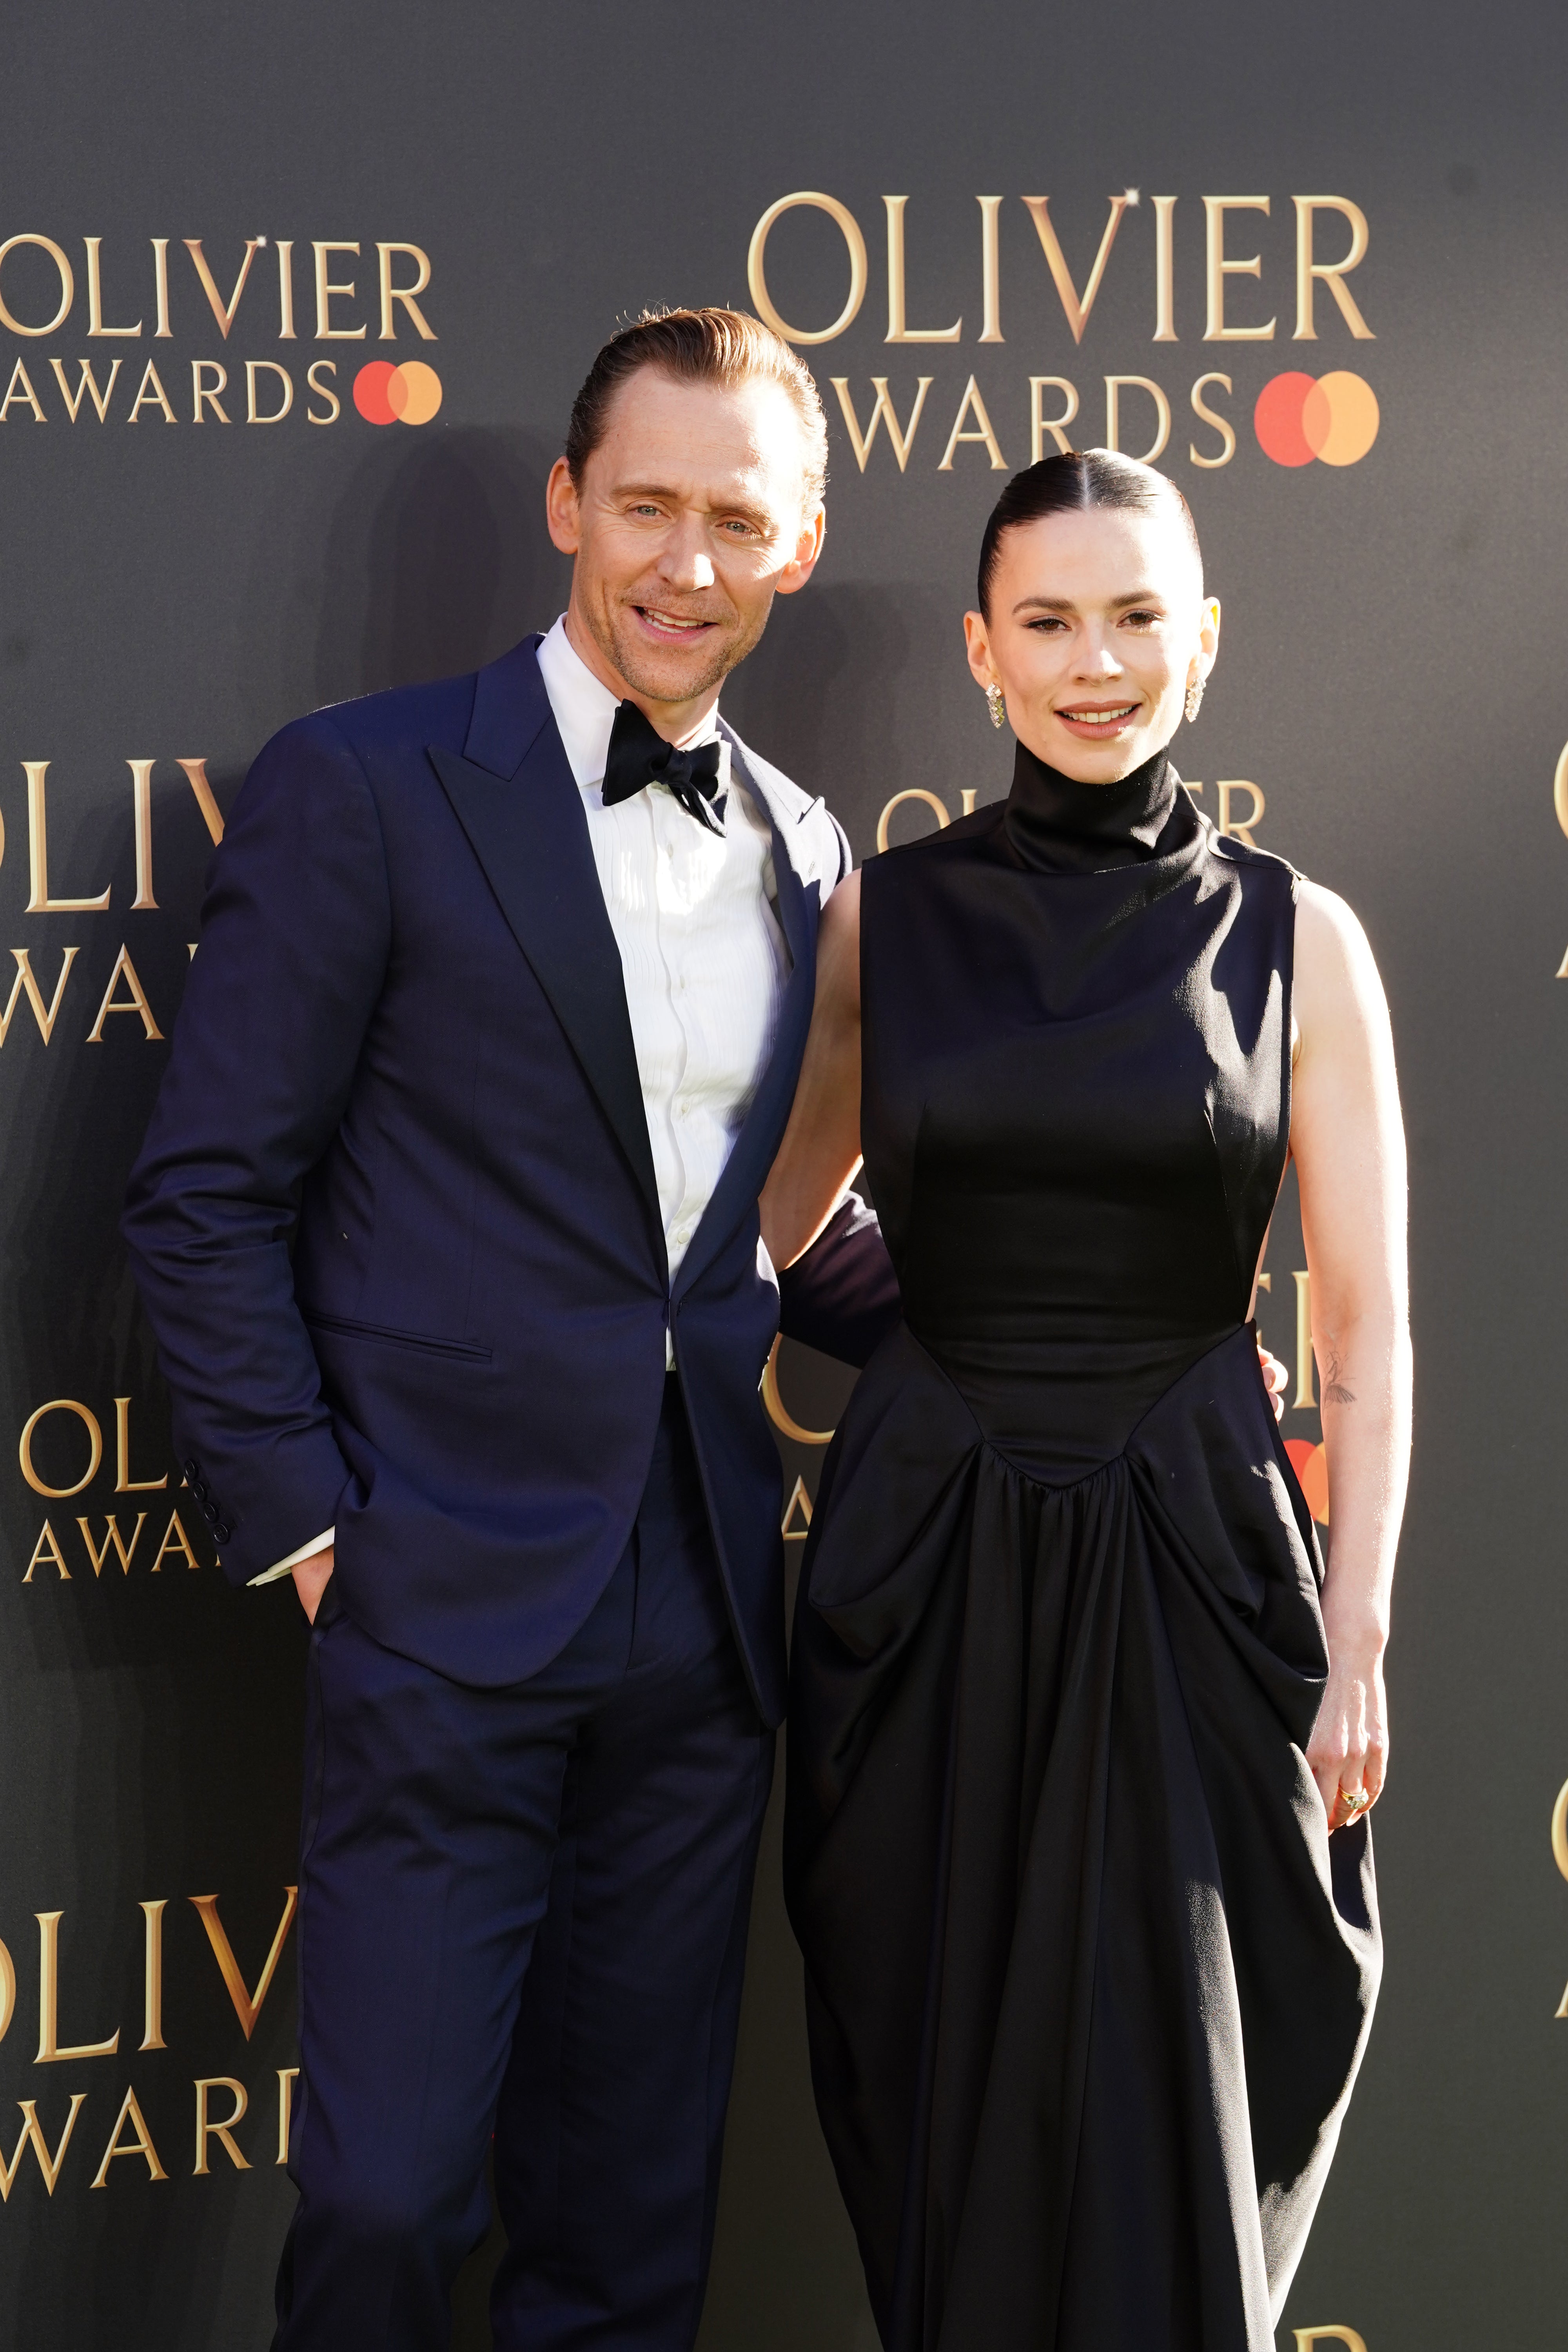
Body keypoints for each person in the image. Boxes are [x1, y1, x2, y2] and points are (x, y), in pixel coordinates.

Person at [121, 307, 899, 2352]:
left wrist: (1109, 1343)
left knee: (627, 2244)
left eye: (737, 518)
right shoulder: (365, 786)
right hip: (435, 1597)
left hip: (705, 1621)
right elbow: (206, 1195)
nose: (686, 563)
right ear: (567, 504)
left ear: (801, 543)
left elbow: (774, 1233)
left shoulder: (812, 853)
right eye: (645, 505)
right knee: (385, 2205)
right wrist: (315, 1530)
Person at [761, 450, 1408, 2352]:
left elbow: (1367, 1330)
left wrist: (1355, 1636)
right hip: (934, 1572)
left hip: (1196, 1568)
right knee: (950, 2115)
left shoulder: (1297, 936)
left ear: (1202, 641)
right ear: (981, 652)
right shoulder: (882, 922)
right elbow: (778, 1230)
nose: (1093, 664)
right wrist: (956, 1346)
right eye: (1046, 622)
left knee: (1177, 2114)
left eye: (1134, 619)